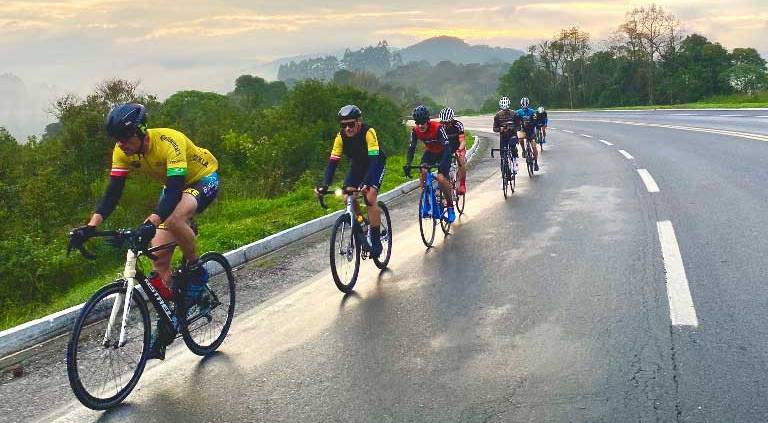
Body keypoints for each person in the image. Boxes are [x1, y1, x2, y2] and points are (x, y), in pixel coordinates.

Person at [69, 103, 220, 360]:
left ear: (140, 131)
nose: (121, 144)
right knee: (158, 259)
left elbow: (173, 191)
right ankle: (171, 317)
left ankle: (197, 271)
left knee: (172, 220)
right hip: (173, 187)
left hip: (202, 179)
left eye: (126, 138)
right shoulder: (122, 151)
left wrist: (151, 222)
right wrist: (91, 226)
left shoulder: (169, 141)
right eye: (117, 139)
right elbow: (113, 191)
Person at [316, 105, 386, 258]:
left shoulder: (369, 132)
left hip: (375, 163)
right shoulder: (340, 137)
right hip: (357, 166)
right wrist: (324, 185)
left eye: (351, 124)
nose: (347, 128)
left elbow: (374, 159)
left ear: (358, 121)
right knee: (347, 195)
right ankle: (361, 222)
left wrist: (367, 182)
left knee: (369, 197)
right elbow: (333, 162)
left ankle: (376, 240)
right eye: (343, 125)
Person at [404, 105, 456, 223]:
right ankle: (427, 201)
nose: (420, 126)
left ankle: (450, 206)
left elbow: (447, 148)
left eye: (423, 123)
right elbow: (411, 148)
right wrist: (408, 163)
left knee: (441, 178)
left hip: (444, 152)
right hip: (431, 152)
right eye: (418, 123)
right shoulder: (415, 130)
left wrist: (443, 163)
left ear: (428, 121)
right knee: (423, 170)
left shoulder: (437, 128)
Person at [439, 107, 467, 194]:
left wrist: (459, 150)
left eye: (447, 122)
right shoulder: (439, 127)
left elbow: (463, 141)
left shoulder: (458, 125)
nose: (445, 125)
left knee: (461, 160)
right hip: (446, 148)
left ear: (452, 120)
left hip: (458, 146)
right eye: (444, 122)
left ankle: (462, 184)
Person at [493, 96, 522, 178]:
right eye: (503, 109)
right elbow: (494, 129)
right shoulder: (497, 116)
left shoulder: (514, 114)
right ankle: (505, 171)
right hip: (503, 137)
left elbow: (518, 126)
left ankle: (514, 161)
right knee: (503, 155)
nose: (505, 111)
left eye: (506, 109)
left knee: (512, 147)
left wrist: (511, 128)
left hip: (512, 135)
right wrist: (500, 129)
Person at [516, 97, 539, 171]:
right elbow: (515, 120)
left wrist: (530, 124)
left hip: (531, 131)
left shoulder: (532, 111)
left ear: (528, 104)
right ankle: (523, 150)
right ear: (521, 105)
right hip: (523, 130)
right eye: (523, 105)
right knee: (520, 138)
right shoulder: (518, 112)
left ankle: (535, 162)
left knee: (534, 147)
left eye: (526, 105)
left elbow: (535, 121)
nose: (525, 107)